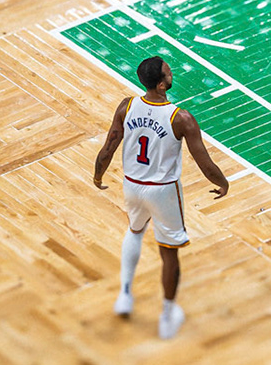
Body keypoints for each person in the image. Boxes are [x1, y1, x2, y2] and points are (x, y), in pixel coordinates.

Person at [94, 56, 230, 340]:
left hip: (132, 184)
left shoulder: (126, 106)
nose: (172, 73)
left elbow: (109, 145)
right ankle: (168, 315)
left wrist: (98, 174)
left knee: (134, 231)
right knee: (169, 252)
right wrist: (222, 182)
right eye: (169, 72)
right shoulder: (180, 118)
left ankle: (125, 294)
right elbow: (204, 162)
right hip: (163, 190)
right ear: (161, 83)